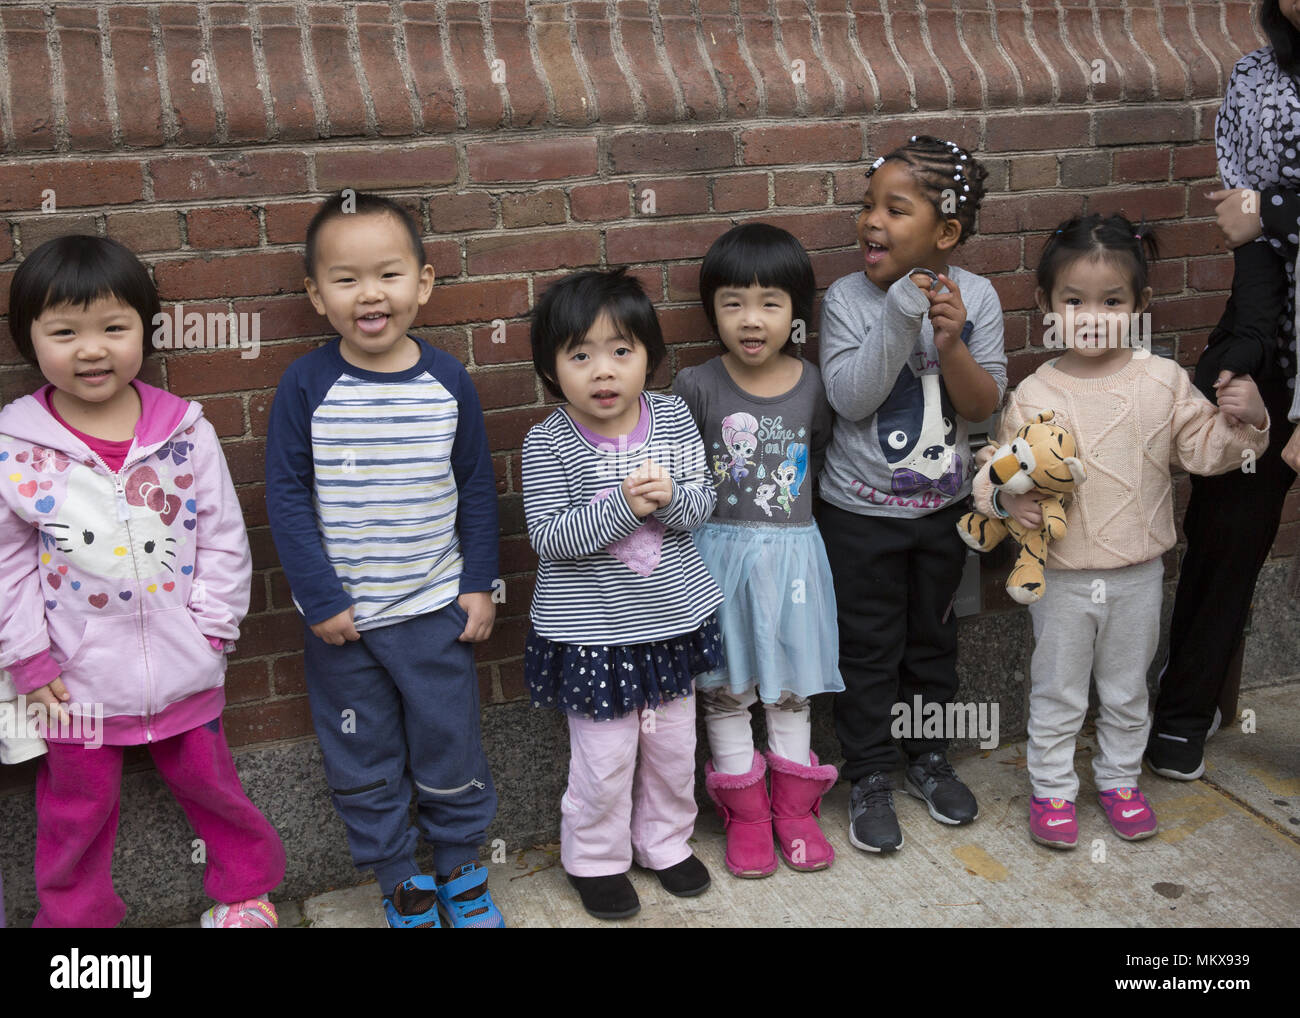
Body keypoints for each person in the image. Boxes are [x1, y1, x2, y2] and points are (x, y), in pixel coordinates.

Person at [0, 235, 285, 927]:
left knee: (215, 789)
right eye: (64, 332)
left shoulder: (185, 433)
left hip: (187, 665)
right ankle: (74, 921)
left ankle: (245, 893)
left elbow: (221, 535)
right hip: (75, 682)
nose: (91, 349)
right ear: (29, 340)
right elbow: (6, 564)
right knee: (75, 810)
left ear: (145, 332)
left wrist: (212, 627)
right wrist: (29, 662)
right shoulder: (18, 447)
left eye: (113, 328)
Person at [972, 214, 1269, 849]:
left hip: (1138, 573)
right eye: (1073, 300)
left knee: (1127, 688)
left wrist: (1250, 422)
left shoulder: (1160, 381)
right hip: (1062, 578)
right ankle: (1053, 791)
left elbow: (1205, 451)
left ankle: (1120, 780)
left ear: (1140, 306)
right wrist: (1006, 502)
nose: (1091, 316)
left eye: (1112, 302)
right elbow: (995, 470)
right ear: (1046, 304)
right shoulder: (1033, 392)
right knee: (1057, 689)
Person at [265, 193, 503, 928]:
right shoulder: (307, 387)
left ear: (423, 283)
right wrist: (320, 597)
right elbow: (285, 493)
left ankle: (462, 866)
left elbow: (475, 487)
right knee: (363, 758)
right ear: (316, 295)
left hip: (435, 611)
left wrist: (478, 584)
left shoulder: (447, 381)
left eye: (389, 275)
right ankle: (400, 878)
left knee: (448, 742)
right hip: (347, 626)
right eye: (346, 279)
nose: (370, 294)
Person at [817, 135, 1006, 853]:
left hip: (942, 513)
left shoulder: (978, 297)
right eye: (868, 205)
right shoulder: (846, 300)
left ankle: (926, 756)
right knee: (866, 648)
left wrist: (952, 343)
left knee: (932, 643)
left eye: (896, 209)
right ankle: (866, 773)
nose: (872, 221)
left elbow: (984, 408)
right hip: (859, 515)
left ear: (946, 231)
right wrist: (900, 314)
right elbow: (851, 399)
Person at [522, 268, 722, 919]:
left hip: (670, 622)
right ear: (553, 368)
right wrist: (624, 508)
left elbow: (701, 505)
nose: (602, 371)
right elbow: (550, 537)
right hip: (594, 635)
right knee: (604, 758)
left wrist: (674, 498)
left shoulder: (672, 416)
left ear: (649, 357)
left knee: (671, 745)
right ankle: (594, 858)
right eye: (580, 355)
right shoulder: (548, 441)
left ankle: (663, 841)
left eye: (620, 351)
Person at [1148, 0, 1300, 780]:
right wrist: (1242, 359)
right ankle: (1183, 711)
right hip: (1278, 335)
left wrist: (1274, 207)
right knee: (1225, 534)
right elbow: (1253, 251)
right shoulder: (1256, 78)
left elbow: (1256, 216)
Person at [673, 223, 843, 878]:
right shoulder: (697, 386)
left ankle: (795, 812)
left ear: (796, 312)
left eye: (770, 303)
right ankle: (746, 815)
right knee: (726, 685)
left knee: (792, 684)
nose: (751, 320)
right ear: (711, 309)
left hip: (796, 559)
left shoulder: (813, 385)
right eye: (733, 303)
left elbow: (819, 456)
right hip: (717, 560)